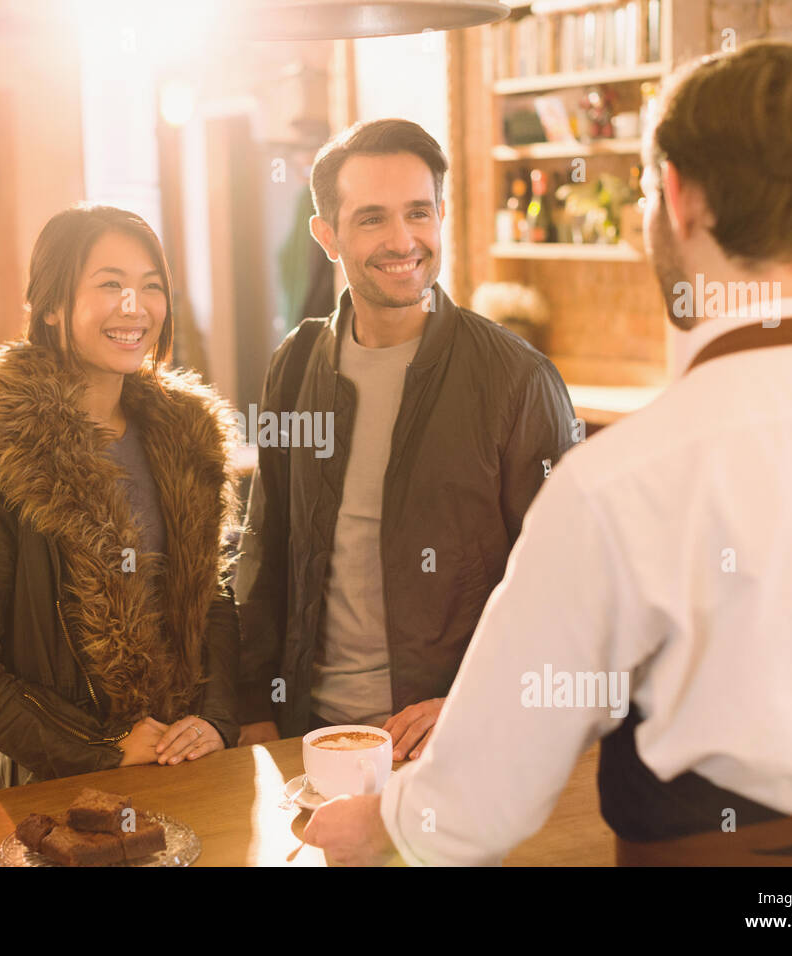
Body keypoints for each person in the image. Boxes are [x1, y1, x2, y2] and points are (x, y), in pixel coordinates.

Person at [304, 42, 792, 865]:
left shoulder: (617, 482)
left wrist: (377, 825)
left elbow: (486, 794)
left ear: (676, 196)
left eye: (641, 187)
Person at [235, 119, 576, 759]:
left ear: (442, 215)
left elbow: (572, 583)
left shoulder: (516, 380)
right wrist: (254, 703)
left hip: (457, 744)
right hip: (311, 738)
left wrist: (478, 703)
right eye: (371, 219)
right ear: (327, 236)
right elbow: (264, 544)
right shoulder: (297, 362)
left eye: (418, 212)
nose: (402, 241)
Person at [0, 204, 241, 788]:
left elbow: (212, 600)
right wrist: (103, 746)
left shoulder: (185, 436)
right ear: (50, 306)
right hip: (57, 783)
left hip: (186, 766)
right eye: (110, 285)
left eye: (152, 286)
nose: (135, 306)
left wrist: (217, 720)